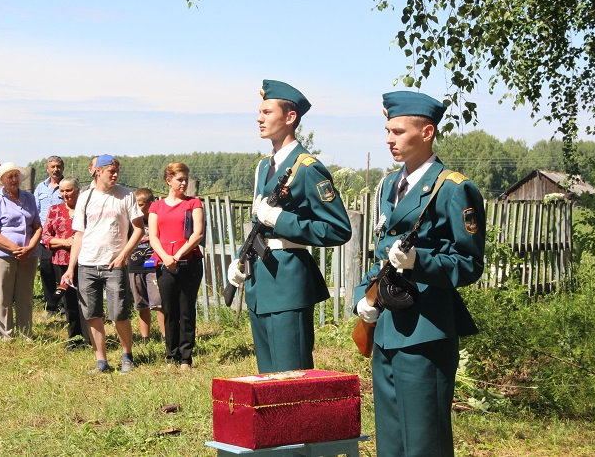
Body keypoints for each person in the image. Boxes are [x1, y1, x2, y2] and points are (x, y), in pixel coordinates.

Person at [353, 91, 486, 456]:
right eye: (387, 130)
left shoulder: (452, 190)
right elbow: (382, 252)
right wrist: (363, 296)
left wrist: (419, 262)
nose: (388, 139)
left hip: (426, 332)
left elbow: (469, 263)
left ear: (426, 133)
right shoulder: (389, 186)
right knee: (391, 443)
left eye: (397, 131)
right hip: (385, 329)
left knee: (425, 443)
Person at [227, 80, 352, 373]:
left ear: (290, 117)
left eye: (267, 111)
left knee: (291, 377)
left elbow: (338, 228)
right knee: (268, 378)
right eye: (259, 112)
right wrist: (241, 258)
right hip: (260, 279)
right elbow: (260, 227)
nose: (259, 118)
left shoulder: (307, 168)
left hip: (287, 282)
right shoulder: (263, 166)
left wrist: (281, 220)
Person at [60, 154, 144, 374]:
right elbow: (78, 234)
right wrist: (71, 268)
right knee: (92, 315)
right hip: (87, 264)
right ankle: (101, 362)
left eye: (117, 171)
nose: (115, 175)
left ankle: (127, 356)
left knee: (119, 314)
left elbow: (139, 229)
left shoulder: (126, 195)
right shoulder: (85, 197)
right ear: (98, 171)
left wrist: (123, 254)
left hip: (113, 264)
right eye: (110, 171)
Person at [149, 164, 204, 370]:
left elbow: (197, 234)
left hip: (189, 262)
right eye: (180, 179)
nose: (184, 183)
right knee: (169, 309)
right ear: (168, 180)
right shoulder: (156, 206)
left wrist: (178, 255)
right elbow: (153, 236)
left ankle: (185, 358)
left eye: (186, 179)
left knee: (186, 309)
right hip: (164, 264)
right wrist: (165, 257)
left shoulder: (193, 203)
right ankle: (171, 355)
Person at [0, 162, 42, 341]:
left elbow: (38, 226)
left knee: (25, 295)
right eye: (9, 176)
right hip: (2, 255)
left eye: (16, 175)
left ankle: (26, 334)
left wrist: (30, 247)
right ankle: (6, 335)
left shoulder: (29, 198)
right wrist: (16, 249)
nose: (14, 180)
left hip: (29, 254)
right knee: (4, 295)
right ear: (2, 180)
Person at [42, 177, 90, 350]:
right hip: (61, 262)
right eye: (62, 191)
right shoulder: (54, 210)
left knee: (86, 300)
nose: (65, 194)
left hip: (85, 261)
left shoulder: (86, 209)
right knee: (69, 302)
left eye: (68, 190)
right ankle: (74, 339)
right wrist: (65, 242)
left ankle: (89, 338)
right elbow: (46, 237)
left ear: (78, 190)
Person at [128, 188, 165, 343]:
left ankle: (165, 336)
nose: (137, 208)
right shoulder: (130, 223)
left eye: (141, 205)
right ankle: (145, 338)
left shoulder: (157, 221)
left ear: (151, 204)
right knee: (141, 304)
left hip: (154, 267)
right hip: (135, 266)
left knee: (158, 303)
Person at [34, 156, 66, 318]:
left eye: (58, 166)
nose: (55, 169)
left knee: (62, 272)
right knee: (46, 270)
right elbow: (35, 210)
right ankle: (51, 305)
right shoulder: (41, 188)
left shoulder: (67, 186)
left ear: (63, 168)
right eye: (52, 167)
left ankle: (65, 307)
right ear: (47, 169)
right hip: (45, 238)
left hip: (63, 237)